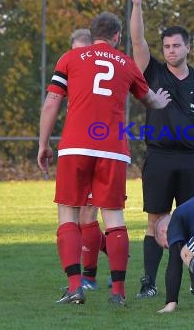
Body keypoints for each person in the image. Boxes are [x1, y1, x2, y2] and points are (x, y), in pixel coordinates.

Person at [37, 12, 171, 306]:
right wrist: (160, 100)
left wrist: (44, 143)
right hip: (112, 148)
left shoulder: (70, 58)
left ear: (92, 33)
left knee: (69, 213)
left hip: (75, 146)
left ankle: (75, 288)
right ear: (117, 36)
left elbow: (51, 103)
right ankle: (118, 292)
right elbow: (149, 99)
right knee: (113, 218)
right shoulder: (126, 64)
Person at [128, 0, 194, 299]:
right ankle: (149, 283)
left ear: (187, 48)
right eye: (167, 46)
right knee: (155, 221)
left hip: (193, 160)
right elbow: (137, 40)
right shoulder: (152, 71)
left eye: (176, 46)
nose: (170, 50)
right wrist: (137, 4)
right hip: (159, 159)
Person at [66, 28, 109, 291]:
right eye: (76, 52)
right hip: (77, 149)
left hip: (100, 149)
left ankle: (89, 277)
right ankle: (104, 244)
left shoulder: (103, 69)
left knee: (87, 215)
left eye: (83, 51)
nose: (80, 56)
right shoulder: (72, 70)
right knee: (78, 214)